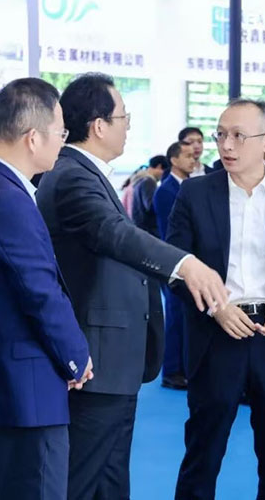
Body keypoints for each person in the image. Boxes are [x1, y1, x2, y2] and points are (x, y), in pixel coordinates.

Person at [36, 72, 228, 500]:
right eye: (123, 116)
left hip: (113, 360)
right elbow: (113, 234)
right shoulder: (72, 176)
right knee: (81, 480)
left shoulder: (86, 173)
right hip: (97, 359)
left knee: (109, 479)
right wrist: (185, 264)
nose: (128, 125)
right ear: (98, 126)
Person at [168, 98, 265, 499]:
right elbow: (174, 268)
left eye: (238, 136)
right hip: (216, 335)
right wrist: (217, 308)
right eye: (221, 135)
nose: (226, 145)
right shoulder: (194, 193)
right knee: (202, 454)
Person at [0, 78, 92, 499]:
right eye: (61, 132)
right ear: (33, 137)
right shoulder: (7, 198)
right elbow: (39, 292)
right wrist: (76, 357)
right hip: (22, 394)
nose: (63, 141)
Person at [153, 141, 196, 390]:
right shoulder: (166, 190)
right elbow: (169, 231)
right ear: (174, 160)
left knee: (184, 317)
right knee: (175, 317)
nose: (193, 159)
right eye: (188, 156)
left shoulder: (187, 186)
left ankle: (183, 368)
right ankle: (171, 371)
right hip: (173, 261)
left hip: (187, 259)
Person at [132, 154, 169, 236]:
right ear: (159, 167)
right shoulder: (149, 181)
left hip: (142, 229)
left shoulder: (140, 180)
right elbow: (151, 206)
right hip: (149, 230)